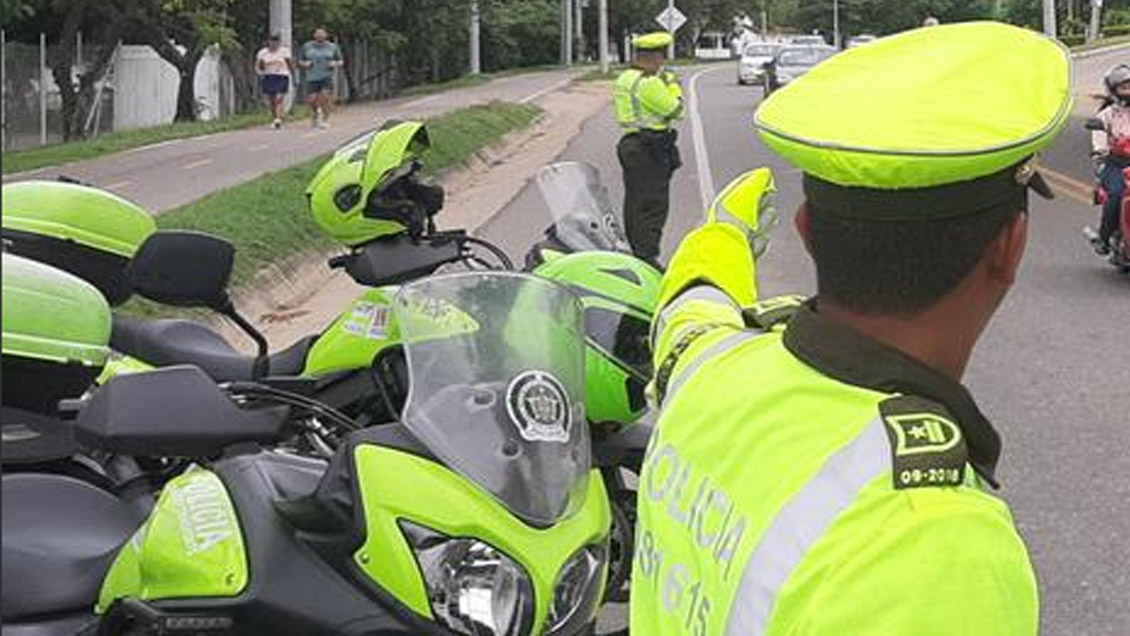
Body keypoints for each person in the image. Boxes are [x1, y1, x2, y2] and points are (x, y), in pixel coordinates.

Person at [630, 21, 1071, 636]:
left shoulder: (711, 367)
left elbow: (689, 309)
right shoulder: (935, 551)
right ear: (1012, 248)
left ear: (805, 231)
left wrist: (721, 235)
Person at [613, 32, 684, 268]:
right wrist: (673, 86)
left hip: (631, 143)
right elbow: (675, 110)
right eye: (660, 57)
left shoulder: (625, 78)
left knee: (634, 202)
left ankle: (636, 249)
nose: (661, 62)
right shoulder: (650, 83)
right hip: (651, 147)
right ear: (654, 57)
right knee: (653, 205)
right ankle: (646, 256)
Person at [1084, 64, 1130, 256]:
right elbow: (1098, 131)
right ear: (1114, 90)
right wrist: (1101, 150)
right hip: (1116, 163)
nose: (1128, 91)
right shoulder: (1107, 114)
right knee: (1117, 196)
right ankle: (1104, 238)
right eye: (1124, 87)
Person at [299, 28, 343, 129]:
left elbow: (340, 61)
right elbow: (300, 60)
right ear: (314, 36)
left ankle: (325, 120)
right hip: (312, 77)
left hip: (326, 76)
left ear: (326, 36)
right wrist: (306, 64)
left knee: (325, 97)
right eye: (317, 34)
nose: (319, 36)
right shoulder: (307, 46)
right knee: (312, 100)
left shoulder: (332, 47)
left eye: (322, 34)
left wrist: (334, 63)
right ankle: (315, 114)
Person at [255, 34, 293, 129]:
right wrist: (262, 65)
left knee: (279, 97)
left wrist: (292, 73)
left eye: (276, 41)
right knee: (272, 99)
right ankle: (276, 118)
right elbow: (260, 67)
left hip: (282, 75)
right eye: (272, 41)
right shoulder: (263, 52)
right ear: (268, 42)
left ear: (279, 42)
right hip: (269, 75)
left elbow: (289, 63)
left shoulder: (284, 51)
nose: (274, 43)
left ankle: (278, 118)